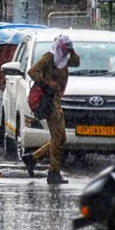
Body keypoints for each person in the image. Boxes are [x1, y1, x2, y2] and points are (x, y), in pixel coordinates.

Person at [21, 34, 79, 185]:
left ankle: (33, 158)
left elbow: (76, 62)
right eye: (65, 49)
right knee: (57, 138)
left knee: (61, 138)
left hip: (57, 101)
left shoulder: (63, 59)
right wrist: (48, 82)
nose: (67, 52)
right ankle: (54, 173)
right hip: (49, 101)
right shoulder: (49, 57)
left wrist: (71, 50)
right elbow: (32, 72)